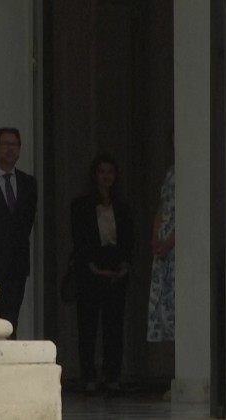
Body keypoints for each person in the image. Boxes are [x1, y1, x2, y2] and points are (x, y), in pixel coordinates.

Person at [70, 153, 134, 395]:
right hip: (90, 269)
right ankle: (88, 375)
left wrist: (125, 264)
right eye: (102, 172)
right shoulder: (81, 205)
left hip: (116, 267)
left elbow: (129, 238)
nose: (106, 177)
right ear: (94, 175)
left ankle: (112, 376)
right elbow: (78, 238)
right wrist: (91, 266)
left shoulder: (122, 206)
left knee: (114, 326)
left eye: (110, 172)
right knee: (87, 326)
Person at [0, 127, 38, 340]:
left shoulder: (28, 183)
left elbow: (27, 222)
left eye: (14, 144)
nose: (10, 149)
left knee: (11, 319)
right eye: (5, 144)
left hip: (17, 263)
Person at [147, 164, 175, 343]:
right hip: (162, 245)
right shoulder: (171, 171)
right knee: (161, 305)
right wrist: (155, 237)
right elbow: (162, 206)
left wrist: (170, 241)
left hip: (176, 247)